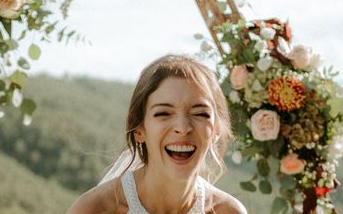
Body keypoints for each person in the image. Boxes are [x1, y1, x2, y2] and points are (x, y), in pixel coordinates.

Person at [67, 54, 248, 214]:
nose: (183, 127)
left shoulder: (230, 212)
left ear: (216, 130)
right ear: (139, 130)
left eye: (200, 114)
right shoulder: (95, 209)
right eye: (163, 113)